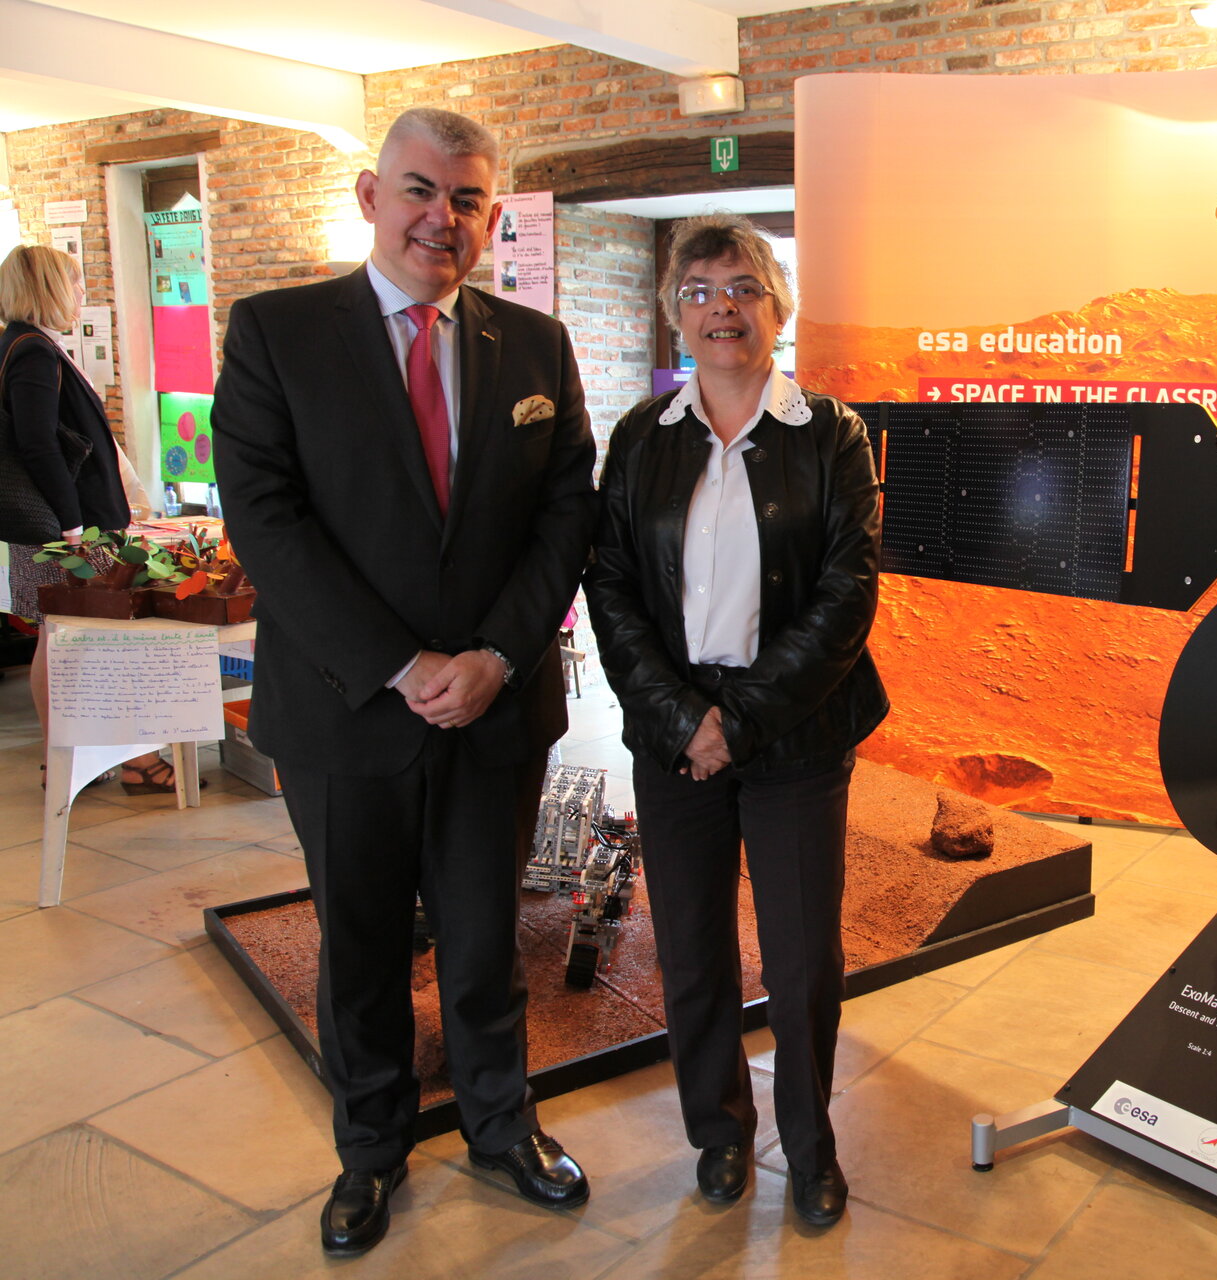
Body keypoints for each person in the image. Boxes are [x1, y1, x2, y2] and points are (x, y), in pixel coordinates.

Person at [212, 107, 596, 1256]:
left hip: (494, 707)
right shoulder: (279, 332)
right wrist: (401, 662)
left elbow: (567, 512)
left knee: (485, 936)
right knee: (362, 941)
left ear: (491, 213)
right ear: (374, 197)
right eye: (422, 190)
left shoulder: (536, 347)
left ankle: (499, 1124)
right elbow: (266, 524)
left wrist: (493, 656)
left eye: (468, 197)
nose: (444, 216)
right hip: (343, 708)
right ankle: (370, 1150)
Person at [584, 214, 888, 1228]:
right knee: (693, 950)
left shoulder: (831, 436)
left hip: (794, 733)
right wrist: (683, 719)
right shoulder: (640, 439)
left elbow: (847, 595)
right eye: (703, 289)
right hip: (676, 741)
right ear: (677, 313)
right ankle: (717, 1133)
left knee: (803, 959)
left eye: (745, 287)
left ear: (778, 307)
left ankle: (809, 1148)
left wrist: (741, 719)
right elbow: (612, 583)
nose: (724, 306)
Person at [1, 245, 174, 794]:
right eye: (75, 283)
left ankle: (75, 759)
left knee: (63, 635)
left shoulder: (20, 344)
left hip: (55, 524)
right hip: (68, 528)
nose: (82, 294)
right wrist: (73, 525)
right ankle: (132, 757)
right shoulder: (33, 352)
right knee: (100, 631)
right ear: (50, 287)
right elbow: (38, 445)